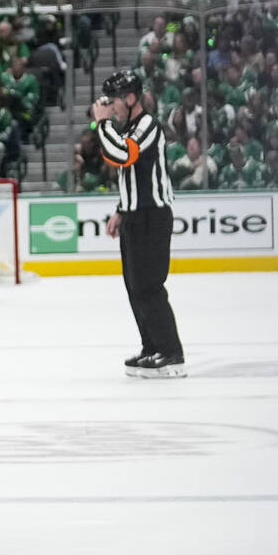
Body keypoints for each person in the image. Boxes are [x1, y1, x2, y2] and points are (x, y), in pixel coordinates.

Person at [91, 70, 185, 378]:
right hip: (134, 214)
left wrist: (102, 123)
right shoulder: (131, 126)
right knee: (135, 287)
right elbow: (131, 174)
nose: (111, 106)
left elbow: (121, 156)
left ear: (131, 98)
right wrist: (121, 209)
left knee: (150, 286)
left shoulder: (147, 126)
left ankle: (171, 352)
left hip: (153, 216)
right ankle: (152, 347)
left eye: (114, 101)